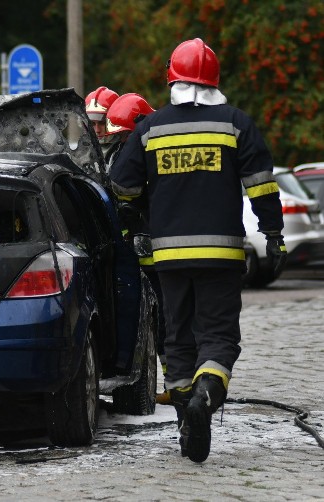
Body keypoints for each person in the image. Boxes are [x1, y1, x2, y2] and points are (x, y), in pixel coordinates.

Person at [109, 38, 286, 463]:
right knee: (219, 337)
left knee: (177, 340)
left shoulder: (151, 129)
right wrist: (273, 233)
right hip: (221, 257)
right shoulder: (235, 124)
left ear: (172, 79)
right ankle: (205, 397)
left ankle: (187, 421)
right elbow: (261, 185)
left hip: (168, 259)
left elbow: (121, 184)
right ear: (214, 81)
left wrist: (136, 219)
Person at [105, 94, 170, 403]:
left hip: (161, 253)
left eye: (123, 135)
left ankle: (177, 382)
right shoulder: (122, 152)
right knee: (156, 319)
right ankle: (175, 380)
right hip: (139, 254)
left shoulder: (153, 151)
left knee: (167, 317)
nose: (119, 141)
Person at [84, 86, 120, 162]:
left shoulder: (128, 150)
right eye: (92, 124)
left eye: (102, 123)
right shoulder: (82, 153)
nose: (97, 130)